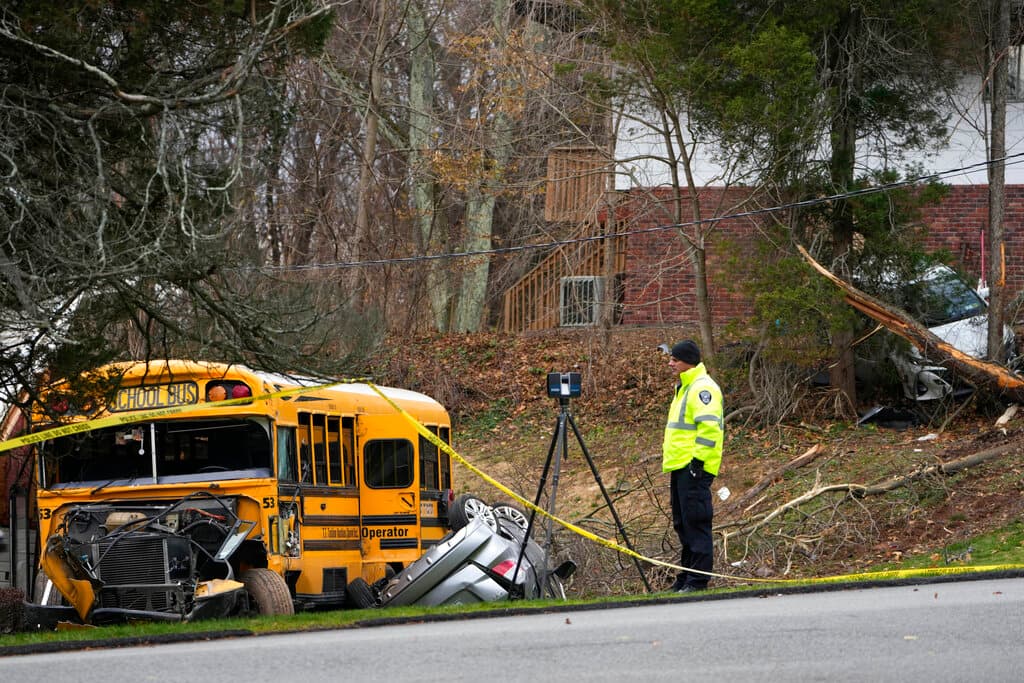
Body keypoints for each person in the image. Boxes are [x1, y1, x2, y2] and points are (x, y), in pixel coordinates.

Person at [660, 339, 724, 593]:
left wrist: (698, 461)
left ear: (688, 361)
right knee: (683, 524)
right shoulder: (685, 387)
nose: (670, 363)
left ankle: (698, 581)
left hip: (693, 466)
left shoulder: (702, 388)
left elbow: (709, 429)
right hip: (680, 466)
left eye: (674, 359)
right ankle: (687, 577)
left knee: (696, 523)